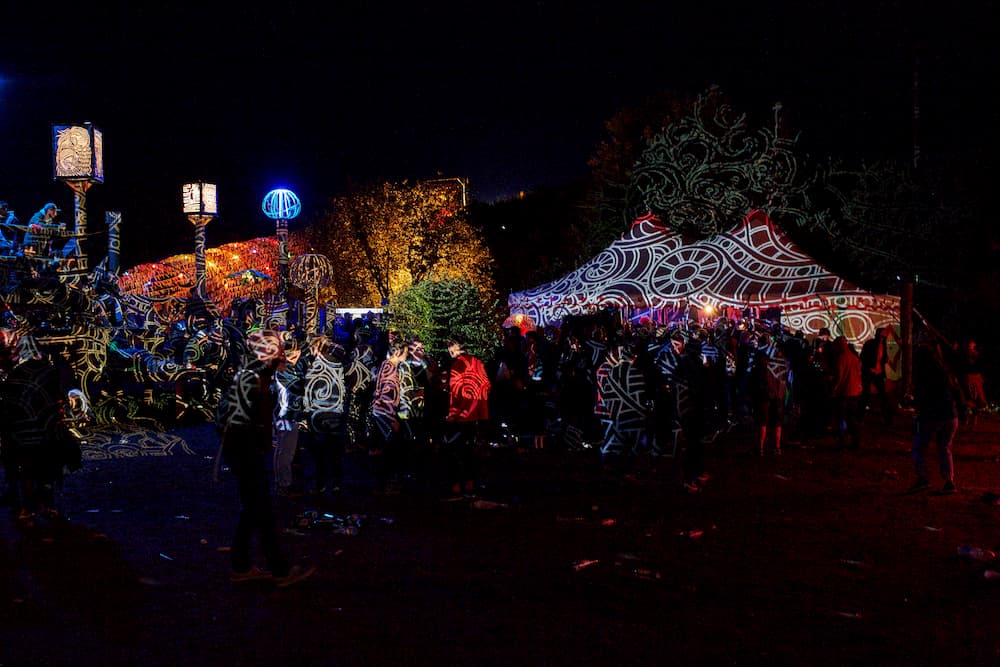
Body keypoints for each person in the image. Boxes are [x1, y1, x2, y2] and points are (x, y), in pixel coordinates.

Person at [218, 329, 316, 587]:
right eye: (278, 352)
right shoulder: (252, 379)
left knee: (252, 511)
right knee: (261, 512)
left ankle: (242, 566)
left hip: (246, 454)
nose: (282, 356)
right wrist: (252, 444)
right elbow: (236, 421)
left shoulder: (254, 375)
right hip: (246, 455)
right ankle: (279, 570)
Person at [908, 334, 960, 495]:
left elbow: (923, 396)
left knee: (919, 446)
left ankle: (922, 478)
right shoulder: (945, 371)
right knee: (945, 448)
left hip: (932, 415)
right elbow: (955, 390)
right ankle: (949, 481)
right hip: (950, 415)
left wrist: (915, 406)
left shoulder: (924, 374)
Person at [442, 337, 491, 497]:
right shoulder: (478, 362)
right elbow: (487, 385)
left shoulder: (457, 364)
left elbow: (455, 392)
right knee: (472, 450)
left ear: (456, 347)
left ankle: (456, 484)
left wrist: (452, 414)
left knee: (456, 450)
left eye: (450, 346)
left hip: (463, 415)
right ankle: (472, 483)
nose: (449, 350)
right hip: (479, 412)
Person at [748, 333, 790, 456]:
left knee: (762, 420)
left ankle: (760, 448)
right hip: (779, 393)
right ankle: (777, 447)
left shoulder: (760, 357)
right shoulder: (783, 359)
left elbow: (753, 375)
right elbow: (786, 376)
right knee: (777, 421)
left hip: (765, 392)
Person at [829, 336, 863, 450]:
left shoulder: (842, 358)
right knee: (851, 416)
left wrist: (834, 389)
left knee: (841, 416)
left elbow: (840, 376)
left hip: (845, 391)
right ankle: (855, 438)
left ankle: (842, 439)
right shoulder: (854, 358)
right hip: (855, 391)